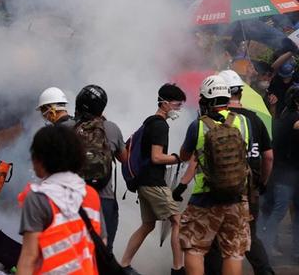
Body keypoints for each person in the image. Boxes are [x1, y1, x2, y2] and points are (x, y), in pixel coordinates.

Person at [199, 70, 275, 275]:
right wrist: (263, 183)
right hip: (249, 189)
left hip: (217, 188)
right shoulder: (255, 120)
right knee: (248, 234)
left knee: (214, 235)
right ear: (240, 91)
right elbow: (268, 157)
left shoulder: (212, 119)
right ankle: (265, 271)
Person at [175, 75, 251, 275]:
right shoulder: (243, 122)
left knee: (194, 247)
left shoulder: (198, 125)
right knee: (233, 251)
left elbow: (184, 155)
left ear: (206, 100)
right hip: (237, 195)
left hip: (204, 196)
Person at [17, 125, 103, 275]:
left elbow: (29, 258)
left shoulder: (37, 198)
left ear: (41, 159)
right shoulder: (90, 194)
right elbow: (100, 245)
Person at [120, 83, 185, 275]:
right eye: (177, 104)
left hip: (143, 182)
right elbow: (157, 157)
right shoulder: (160, 126)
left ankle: (123, 265)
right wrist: (178, 158)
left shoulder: (149, 122)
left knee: (148, 225)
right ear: (165, 104)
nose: (178, 109)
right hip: (153, 182)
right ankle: (178, 269)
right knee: (177, 221)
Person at [74, 84, 127, 252]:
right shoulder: (111, 128)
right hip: (104, 199)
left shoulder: (69, 128)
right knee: (104, 252)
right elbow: (124, 159)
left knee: (78, 249)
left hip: (76, 198)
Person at [258, 86, 299, 262]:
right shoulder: (292, 118)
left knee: (291, 212)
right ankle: (264, 247)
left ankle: (295, 250)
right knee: (279, 211)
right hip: (285, 176)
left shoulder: (285, 116)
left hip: (290, 174)